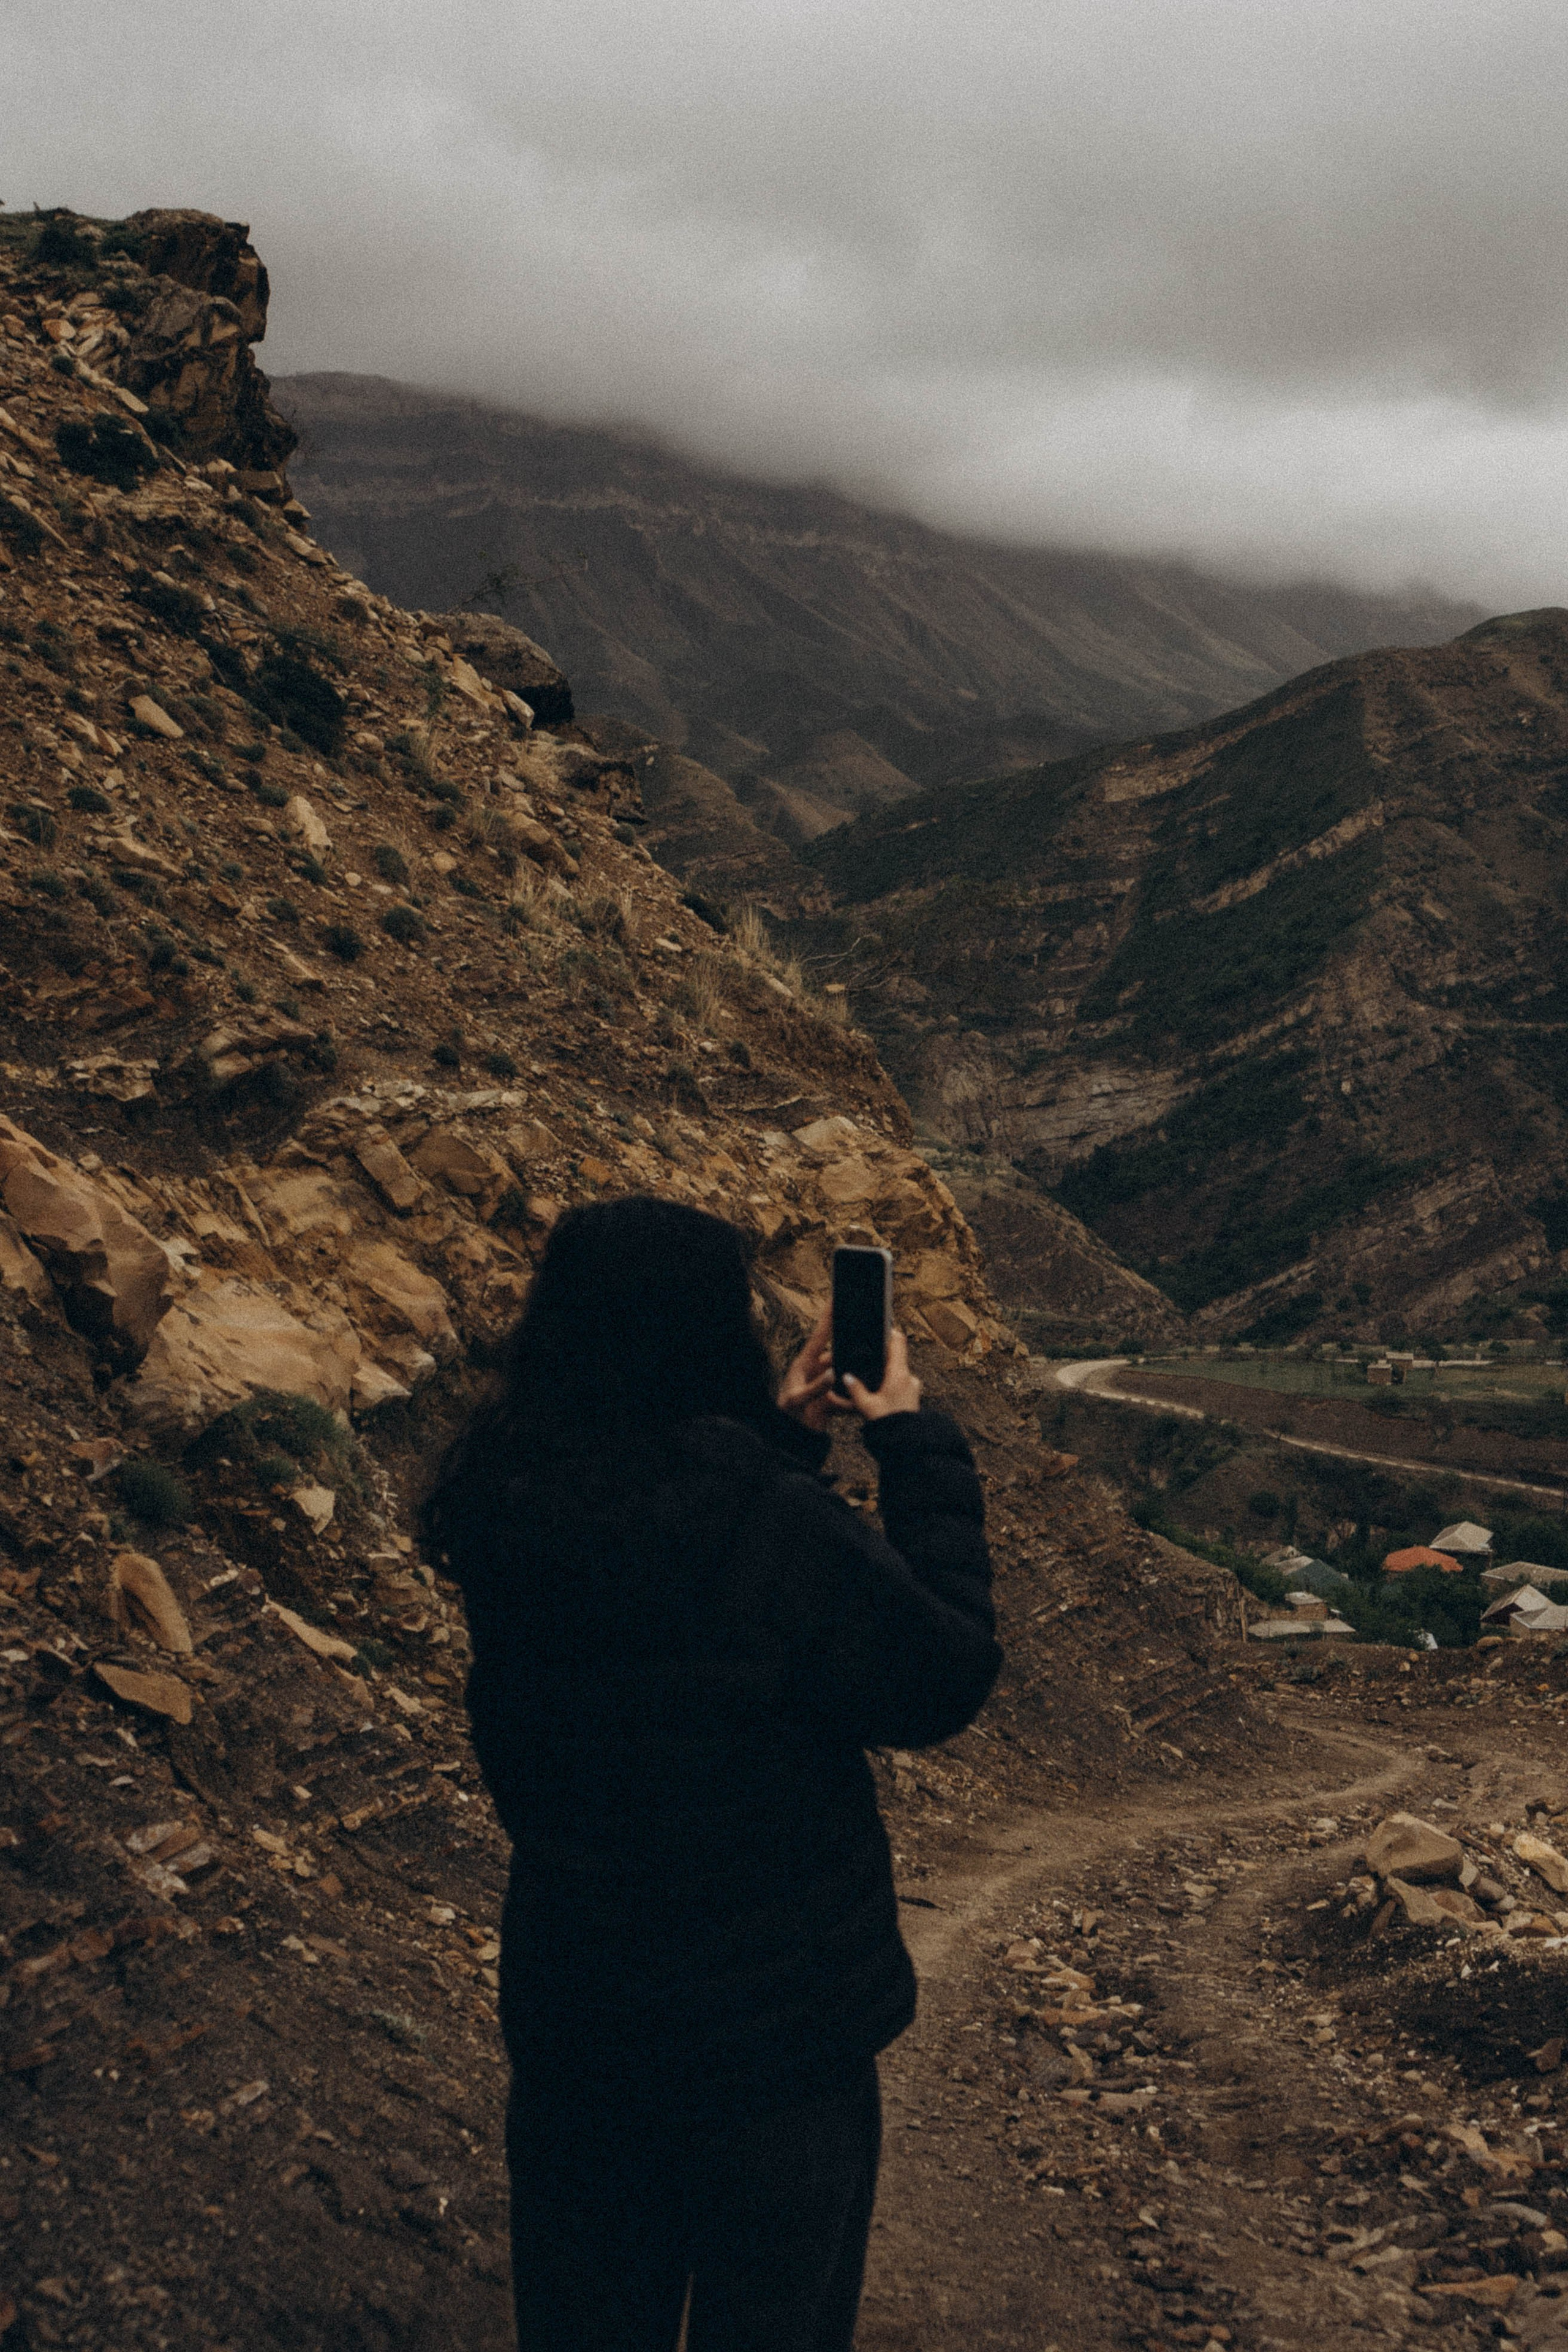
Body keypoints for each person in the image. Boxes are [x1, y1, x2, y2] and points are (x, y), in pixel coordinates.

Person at [423, 1193, 999, 2352]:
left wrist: (777, 1437)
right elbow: (941, 1675)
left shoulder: (501, 1506)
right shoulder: (762, 1522)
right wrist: (907, 1437)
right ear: (705, 1335)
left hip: (583, 2031)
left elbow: (655, 1585)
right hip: (776, 2049)